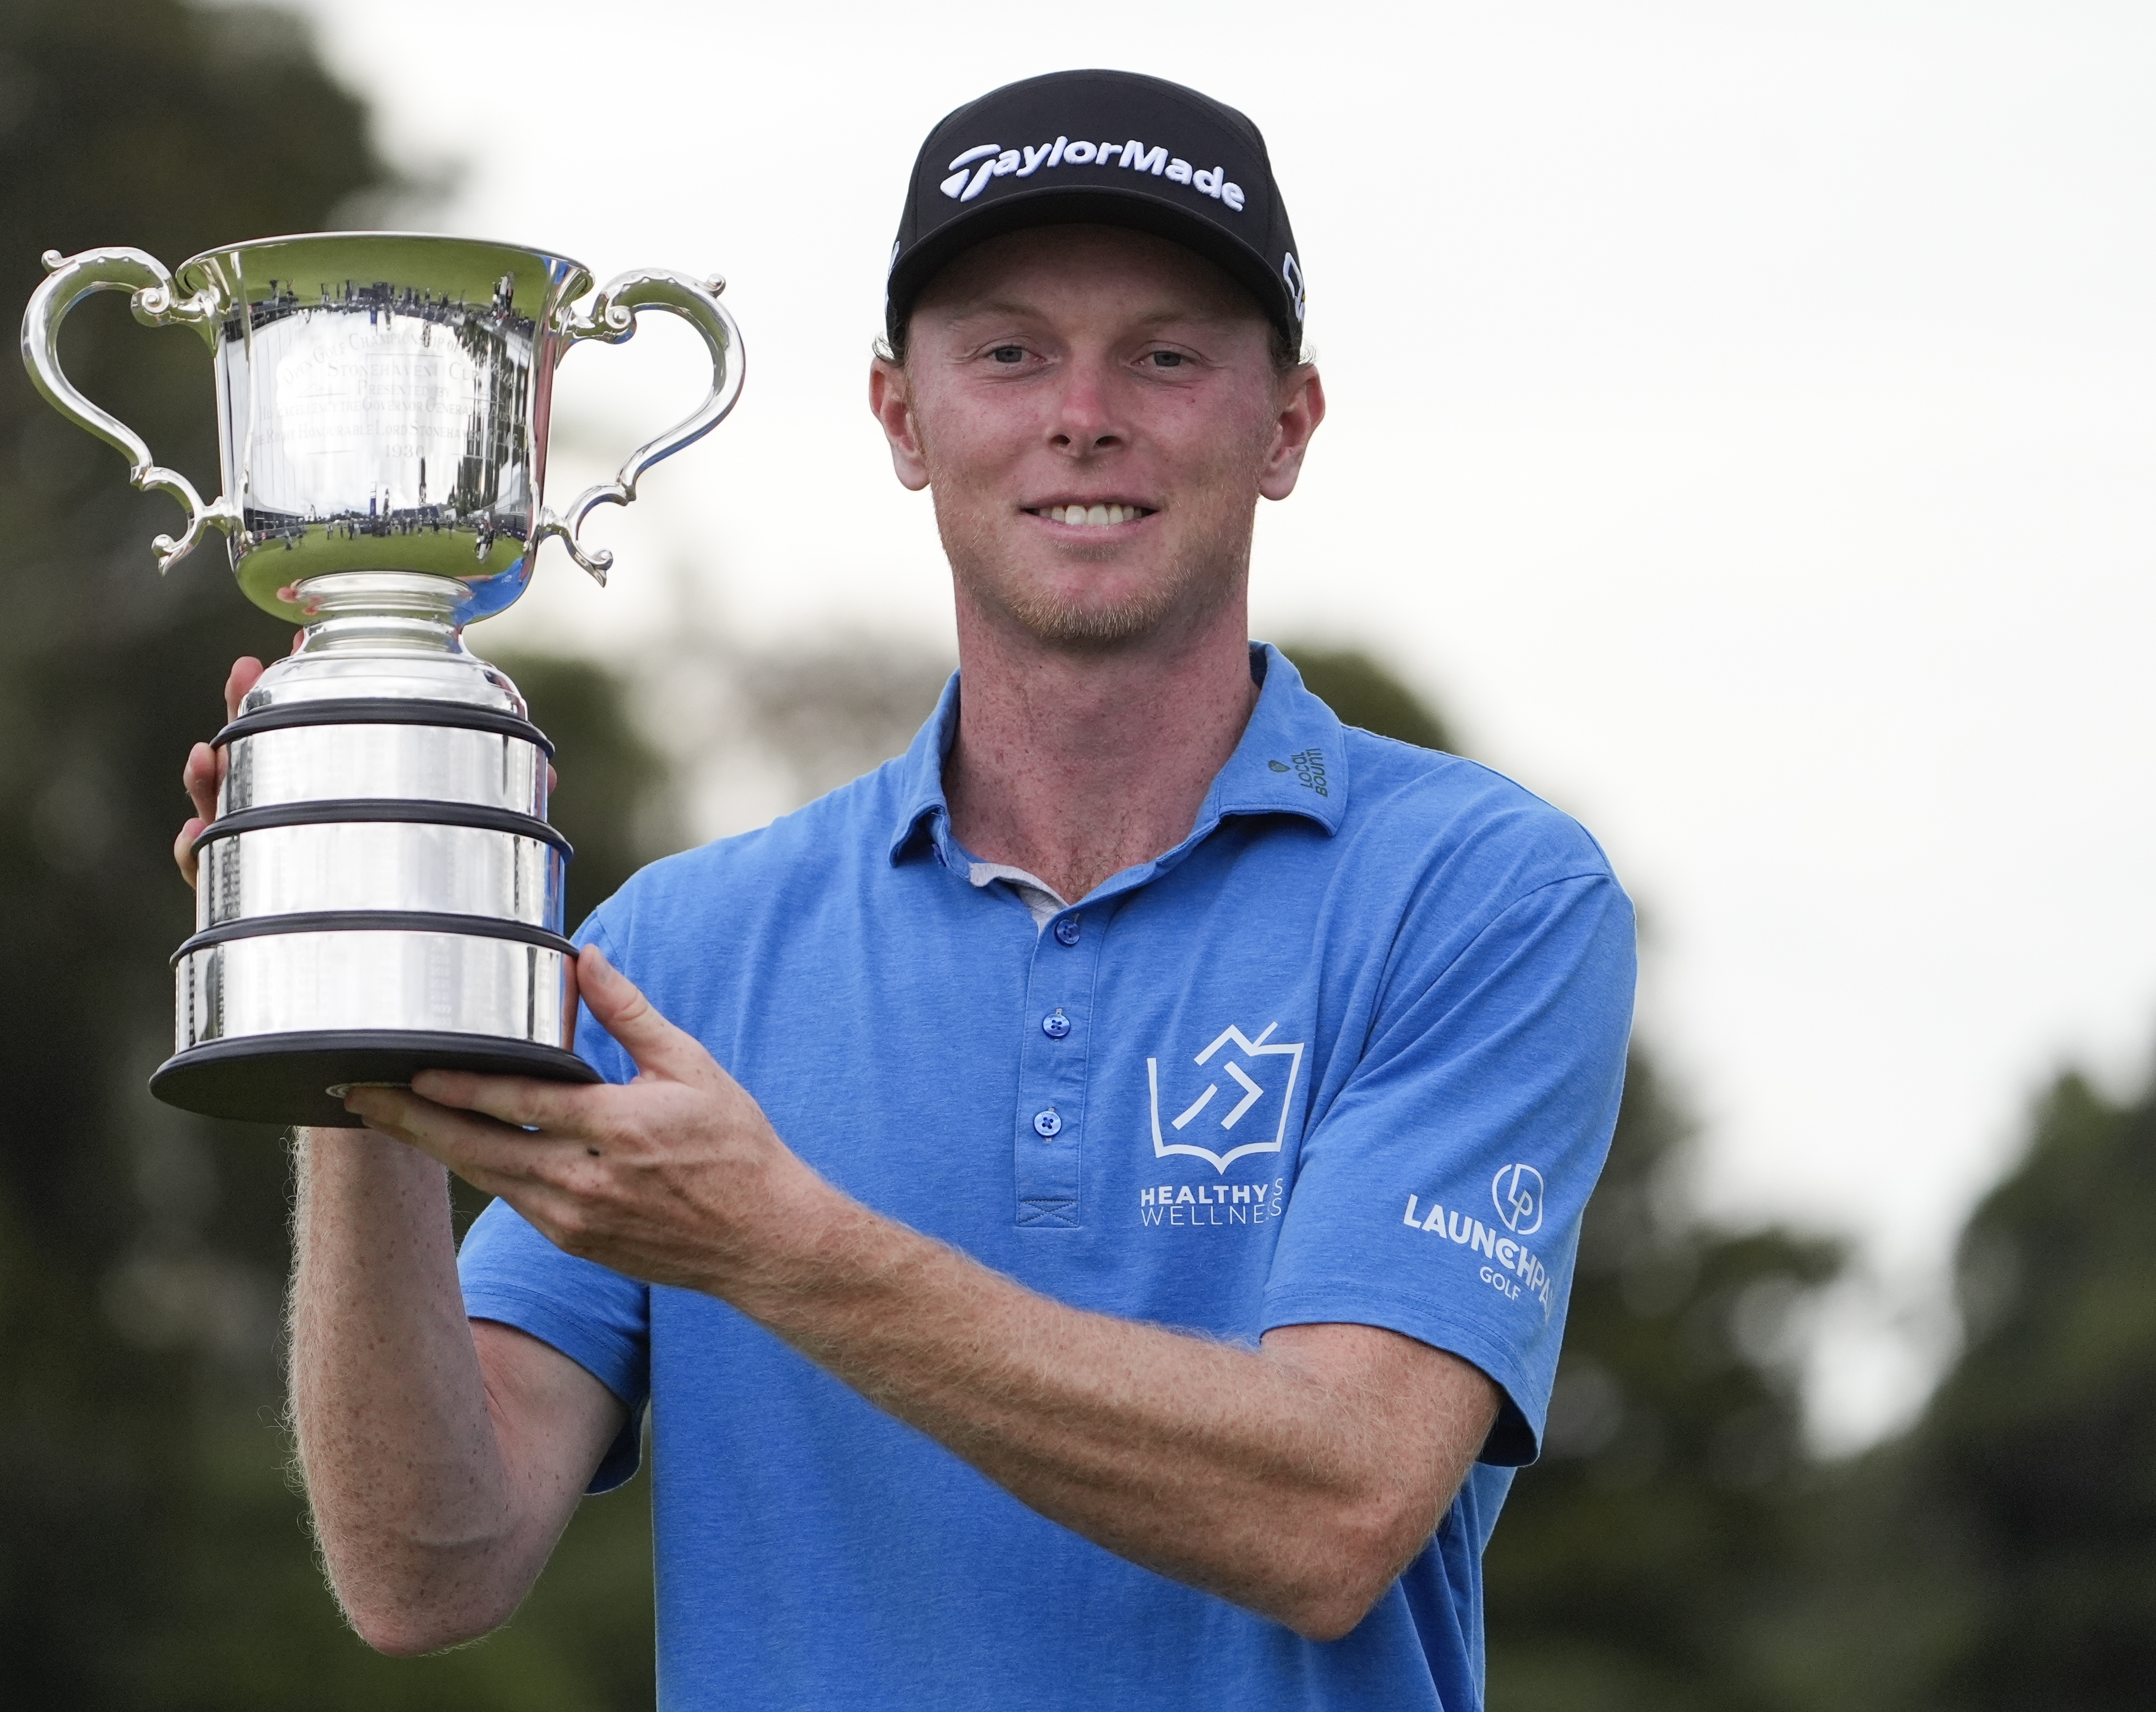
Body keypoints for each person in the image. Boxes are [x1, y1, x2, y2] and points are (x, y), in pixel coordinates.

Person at [175, 69, 1634, 1712]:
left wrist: (775, 1242)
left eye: (1166, 355)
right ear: (902, 418)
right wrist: (349, 998)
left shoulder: (1486, 896)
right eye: (1009, 352)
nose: (1084, 414)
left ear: (1284, 424)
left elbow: (1336, 1507)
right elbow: (425, 1570)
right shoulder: (685, 952)